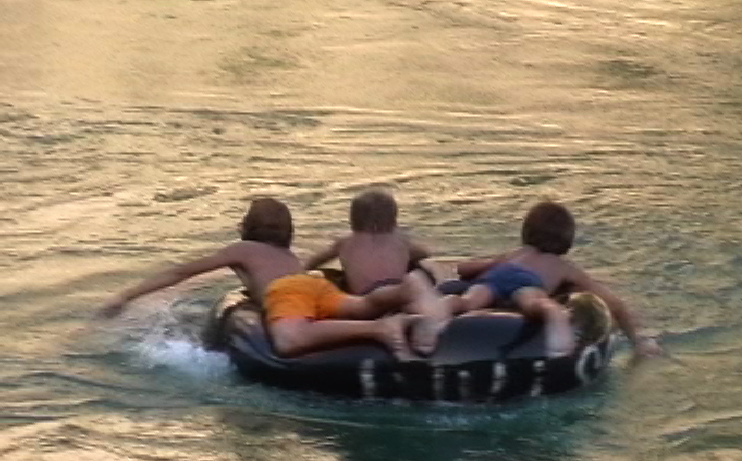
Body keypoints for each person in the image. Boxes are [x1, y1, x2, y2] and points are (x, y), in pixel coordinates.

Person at [98, 197, 448, 360]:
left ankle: (380, 330)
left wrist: (126, 295)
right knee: (364, 304)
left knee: (288, 339)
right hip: (315, 285)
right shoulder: (289, 256)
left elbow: (183, 271)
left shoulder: (243, 249)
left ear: (246, 229)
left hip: (289, 294)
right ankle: (405, 291)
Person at [444, 201, 662, 358]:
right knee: (534, 303)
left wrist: (492, 265)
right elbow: (613, 303)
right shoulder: (563, 267)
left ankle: (444, 307)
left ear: (526, 231)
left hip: (496, 276)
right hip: (526, 283)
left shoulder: (515, 254)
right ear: (567, 240)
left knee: (468, 302)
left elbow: (464, 269)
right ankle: (553, 313)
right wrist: (638, 341)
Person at [304, 188, 432, 295]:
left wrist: (304, 272)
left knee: (331, 278)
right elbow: (425, 253)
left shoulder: (345, 242)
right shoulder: (402, 241)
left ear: (353, 220)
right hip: (397, 291)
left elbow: (314, 261)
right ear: (393, 221)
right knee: (417, 268)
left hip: (364, 298)